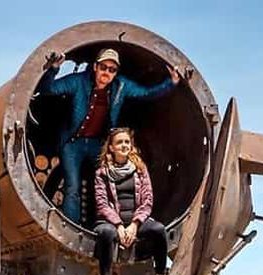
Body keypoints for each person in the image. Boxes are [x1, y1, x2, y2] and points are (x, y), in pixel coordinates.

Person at [37, 48, 181, 224]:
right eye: (103, 67)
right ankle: (72, 226)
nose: (107, 72)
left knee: (106, 185)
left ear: (116, 73)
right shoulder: (78, 81)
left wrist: (171, 83)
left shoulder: (121, 86)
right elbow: (48, 89)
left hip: (98, 144)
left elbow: (146, 93)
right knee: (72, 186)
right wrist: (53, 69)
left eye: (112, 69)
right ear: (95, 67)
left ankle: (104, 226)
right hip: (73, 143)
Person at [92, 128, 168, 275]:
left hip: (135, 221)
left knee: (159, 230)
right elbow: (102, 203)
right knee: (106, 233)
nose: (124, 145)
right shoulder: (102, 173)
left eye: (127, 142)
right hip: (111, 221)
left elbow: (147, 200)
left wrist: (135, 224)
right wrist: (118, 225)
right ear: (111, 148)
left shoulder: (140, 170)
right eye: (119, 142)